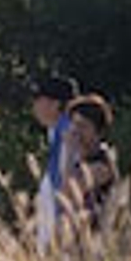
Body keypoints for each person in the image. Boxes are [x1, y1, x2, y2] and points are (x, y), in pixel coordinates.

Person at [27, 74, 79, 247]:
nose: (33, 105)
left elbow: (65, 184)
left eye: (38, 99)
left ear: (55, 104)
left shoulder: (68, 134)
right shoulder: (56, 134)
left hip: (62, 240)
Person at [60, 94, 122, 236]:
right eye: (74, 125)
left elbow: (68, 195)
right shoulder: (80, 163)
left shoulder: (103, 163)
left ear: (98, 131)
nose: (76, 133)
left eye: (83, 126)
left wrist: (69, 153)